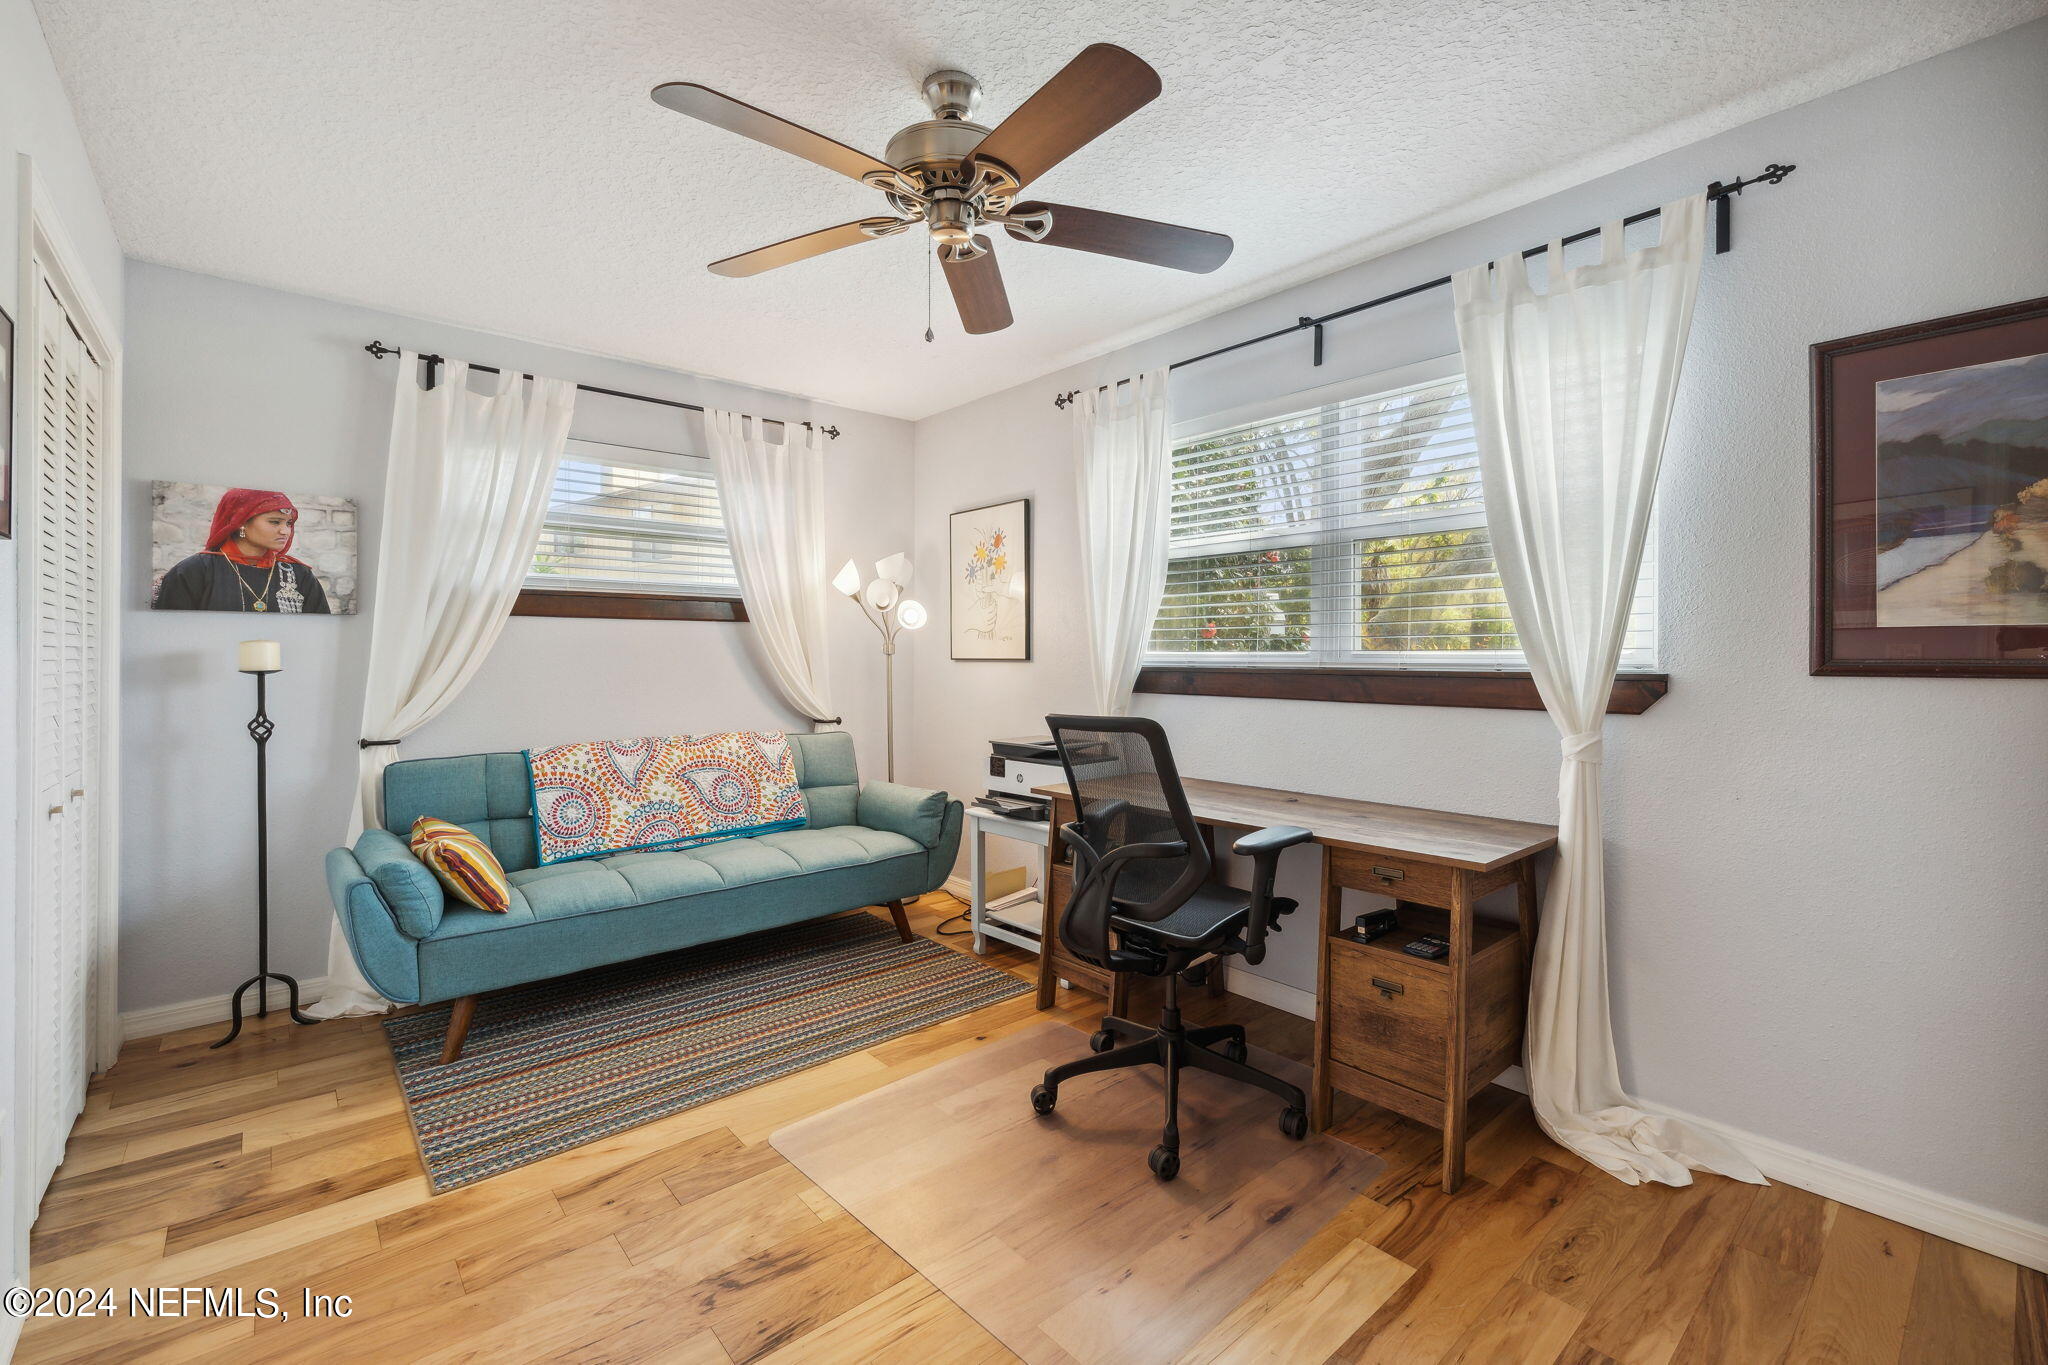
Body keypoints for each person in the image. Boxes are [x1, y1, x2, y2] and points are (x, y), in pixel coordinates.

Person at [152, 487, 333, 613]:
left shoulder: (300, 575)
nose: (285, 530)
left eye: (289, 523)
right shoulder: (195, 571)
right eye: (274, 522)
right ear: (241, 523)